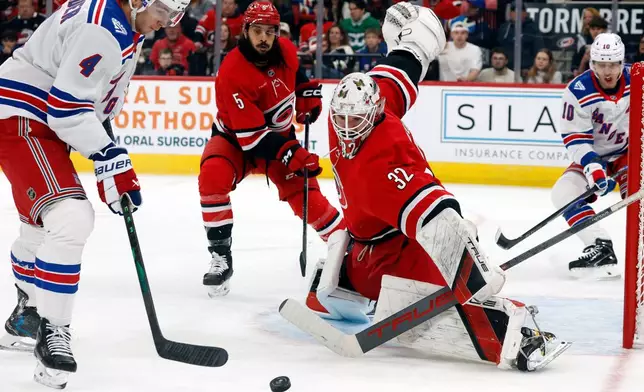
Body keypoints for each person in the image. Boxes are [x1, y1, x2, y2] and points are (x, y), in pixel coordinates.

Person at [306, 2, 568, 371]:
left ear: (375, 107)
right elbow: (438, 222)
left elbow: (397, 75)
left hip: (365, 241)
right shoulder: (378, 163)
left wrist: (412, 48)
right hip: (391, 259)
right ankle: (516, 341)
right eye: (344, 117)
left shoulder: (354, 111)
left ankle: (337, 280)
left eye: (357, 116)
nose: (349, 126)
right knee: (462, 294)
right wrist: (475, 273)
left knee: (456, 249)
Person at [0, 0, 188, 388]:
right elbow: (67, 107)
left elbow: (89, 102)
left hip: (38, 116)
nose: (166, 22)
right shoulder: (104, 29)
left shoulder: (122, 23)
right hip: (26, 116)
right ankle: (53, 334)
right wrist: (107, 155)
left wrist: (109, 159)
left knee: (41, 230)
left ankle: (27, 315)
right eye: (164, 11)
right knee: (71, 219)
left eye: (174, 15)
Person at [198, 1, 345, 298]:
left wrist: (306, 95)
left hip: (278, 137)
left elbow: (297, 75)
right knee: (212, 176)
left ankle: (351, 251)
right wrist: (293, 152)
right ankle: (221, 256)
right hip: (235, 141)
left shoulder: (286, 50)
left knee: (309, 200)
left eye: (270, 31)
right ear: (245, 31)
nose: (264, 38)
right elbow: (251, 138)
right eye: (258, 31)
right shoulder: (232, 71)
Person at [551, 33, 629, 279]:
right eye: (602, 64)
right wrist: (592, 166)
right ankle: (600, 245)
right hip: (595, 156)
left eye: (614, 64)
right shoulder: (578, 91)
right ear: (592, 64)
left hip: (631, 155)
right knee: (563, 194)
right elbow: (575, 136)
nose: (608, 71)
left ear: (622, 62)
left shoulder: (638, 79)